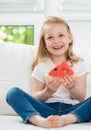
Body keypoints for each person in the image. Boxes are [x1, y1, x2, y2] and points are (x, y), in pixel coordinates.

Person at [6, 16, 91, 128]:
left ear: (69, 38)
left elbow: (81, 97)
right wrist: (48, 91)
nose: (56, 41)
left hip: (72, 110)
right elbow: (35, 97)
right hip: (45, 109)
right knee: (13, 93)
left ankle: (66, 119)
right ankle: (38, 120)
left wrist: (72, 88)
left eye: (61, 35)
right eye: (50, 37)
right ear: (44, 43)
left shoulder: (79, 64)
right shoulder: (41, 66)